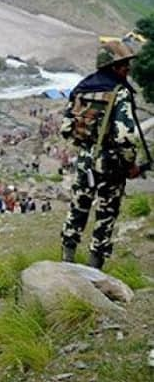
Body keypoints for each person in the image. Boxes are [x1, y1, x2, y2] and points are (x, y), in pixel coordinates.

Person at [60, 41, 142, 269]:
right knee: (106, 213)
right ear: (113, 66)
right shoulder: (120, 92)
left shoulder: (82, 88)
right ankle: (94, 267)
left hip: (86, 159)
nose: (128, 68)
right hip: (111, 163)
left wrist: (86, 143)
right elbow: (125, 136)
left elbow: (66, 128)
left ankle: (67, 258)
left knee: (78, 206)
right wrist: (129, 164)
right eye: (124, 64)